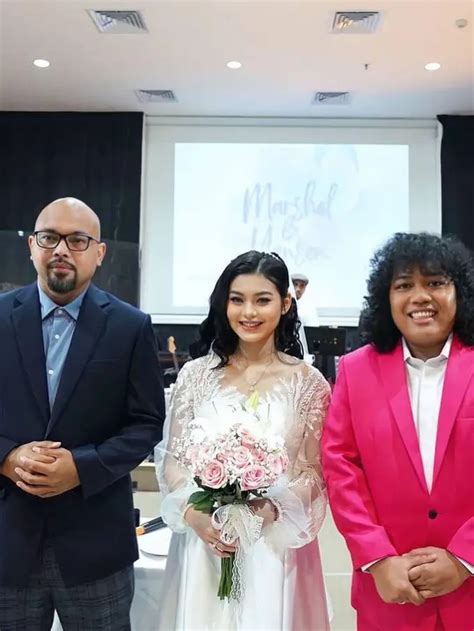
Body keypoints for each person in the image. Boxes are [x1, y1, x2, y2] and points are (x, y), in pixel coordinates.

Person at [0, 197, 165, 630]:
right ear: (32, 246)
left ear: (99, 252)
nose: (61, 250)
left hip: (96, 546)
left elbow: (147, 423)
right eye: (49, 238)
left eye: (77, 240)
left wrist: (82, 467)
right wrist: (8, 457)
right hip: (8, 539)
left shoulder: (130, 326)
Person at [156, 251, 330, 630]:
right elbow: (175, 460)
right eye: (237, 300)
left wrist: (267, 510)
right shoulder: (195, 376)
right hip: (206, 543)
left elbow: (314, 474)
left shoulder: (309, 384)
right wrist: (194, 514)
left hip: (273, 545)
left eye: (262, 300)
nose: (248, 312)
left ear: (285, 303)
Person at [322, 232, 474, 631]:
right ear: (385, 298)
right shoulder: (356, 371)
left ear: (460, 292)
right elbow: (341, 468)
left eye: (435, 283)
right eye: (404, 285)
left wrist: (465, 558)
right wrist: (378, 559)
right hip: (390, 592)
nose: (419, 297)